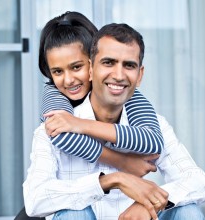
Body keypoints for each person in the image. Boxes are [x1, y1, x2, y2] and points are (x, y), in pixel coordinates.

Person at [23, 22, 205, 219]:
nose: (119, 75)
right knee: (73, 214)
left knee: (187, 211)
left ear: (139, 76)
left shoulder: (152, 124)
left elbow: (199, 182)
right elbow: (35, 200)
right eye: (108, 63)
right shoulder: (55, 126)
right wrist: (111, 180)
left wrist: (149, 203)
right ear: (91, 68)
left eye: (129, 65)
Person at [39, 11, 164, 165]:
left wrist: (79, 125)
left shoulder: (121, 91)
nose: (69, 80)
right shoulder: (54, 92)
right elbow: (60, 134)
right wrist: (123, 162)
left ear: (93, 64)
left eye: (77, 67)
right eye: (57, 71)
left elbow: (152, 140)